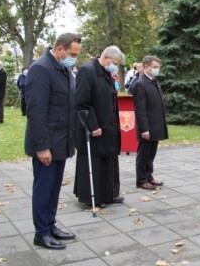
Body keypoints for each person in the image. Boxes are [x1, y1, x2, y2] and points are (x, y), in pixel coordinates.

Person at [25, 33, 81, 250]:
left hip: (61, 142)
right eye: (72, 54)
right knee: (44, 189)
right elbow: (36, 111)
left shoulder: (63, 69)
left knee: (54, 189)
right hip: (46, 144)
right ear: (60, 49)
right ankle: (41, 233)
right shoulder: (41, 68)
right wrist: (41, 146)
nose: (74, 58)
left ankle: (50, 225)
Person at [74, 46, 125, 208]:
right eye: (115, 63)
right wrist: (93, 125)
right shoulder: (87, 71)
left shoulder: (106, 73)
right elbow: (82, 101)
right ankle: (92, 197)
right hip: (95, 127)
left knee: (108, 161)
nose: (115, 66)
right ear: (107, 57)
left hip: (108, 126)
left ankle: (108, 193)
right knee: (95, 163)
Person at [132, 55, 168, 190]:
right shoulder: (140, 83)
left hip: (156, 125)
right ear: (146, 67)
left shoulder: (154, 81)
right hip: (147, 127)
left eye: (158, 67)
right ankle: (141, 180)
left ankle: (149, 175)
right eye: (154, 67)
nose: (157, 70)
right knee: (144, 154)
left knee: (151, 153)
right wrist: (144, 129)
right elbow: (140, 110)